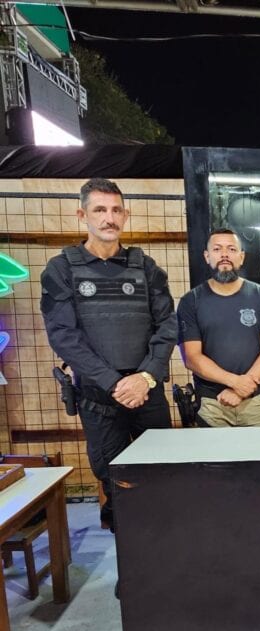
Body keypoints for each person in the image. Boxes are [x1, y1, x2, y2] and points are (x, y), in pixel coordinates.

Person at [40, 178, 177, 531]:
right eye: (100, 209)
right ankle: (129, 560)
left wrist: (145, 377)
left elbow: (167, 326)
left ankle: (166, 553)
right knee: (116, 484)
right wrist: (115, 384)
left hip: (147, 392)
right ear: (82, 215)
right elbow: (64, 336)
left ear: (125, 215)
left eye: (116, 210)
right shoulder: (61, 269)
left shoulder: (145, 267)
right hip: (99, 398)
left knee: (162, 476)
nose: (109, 218)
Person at [177, 229, 260, 427]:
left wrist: (241, 389)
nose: (224, 254)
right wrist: (235, 383)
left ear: (241, 257)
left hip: (257, 403)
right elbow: (191, 357)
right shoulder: (190, 301)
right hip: (212, 405)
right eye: (217, 249)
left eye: (231, 249)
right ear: (207, 256)